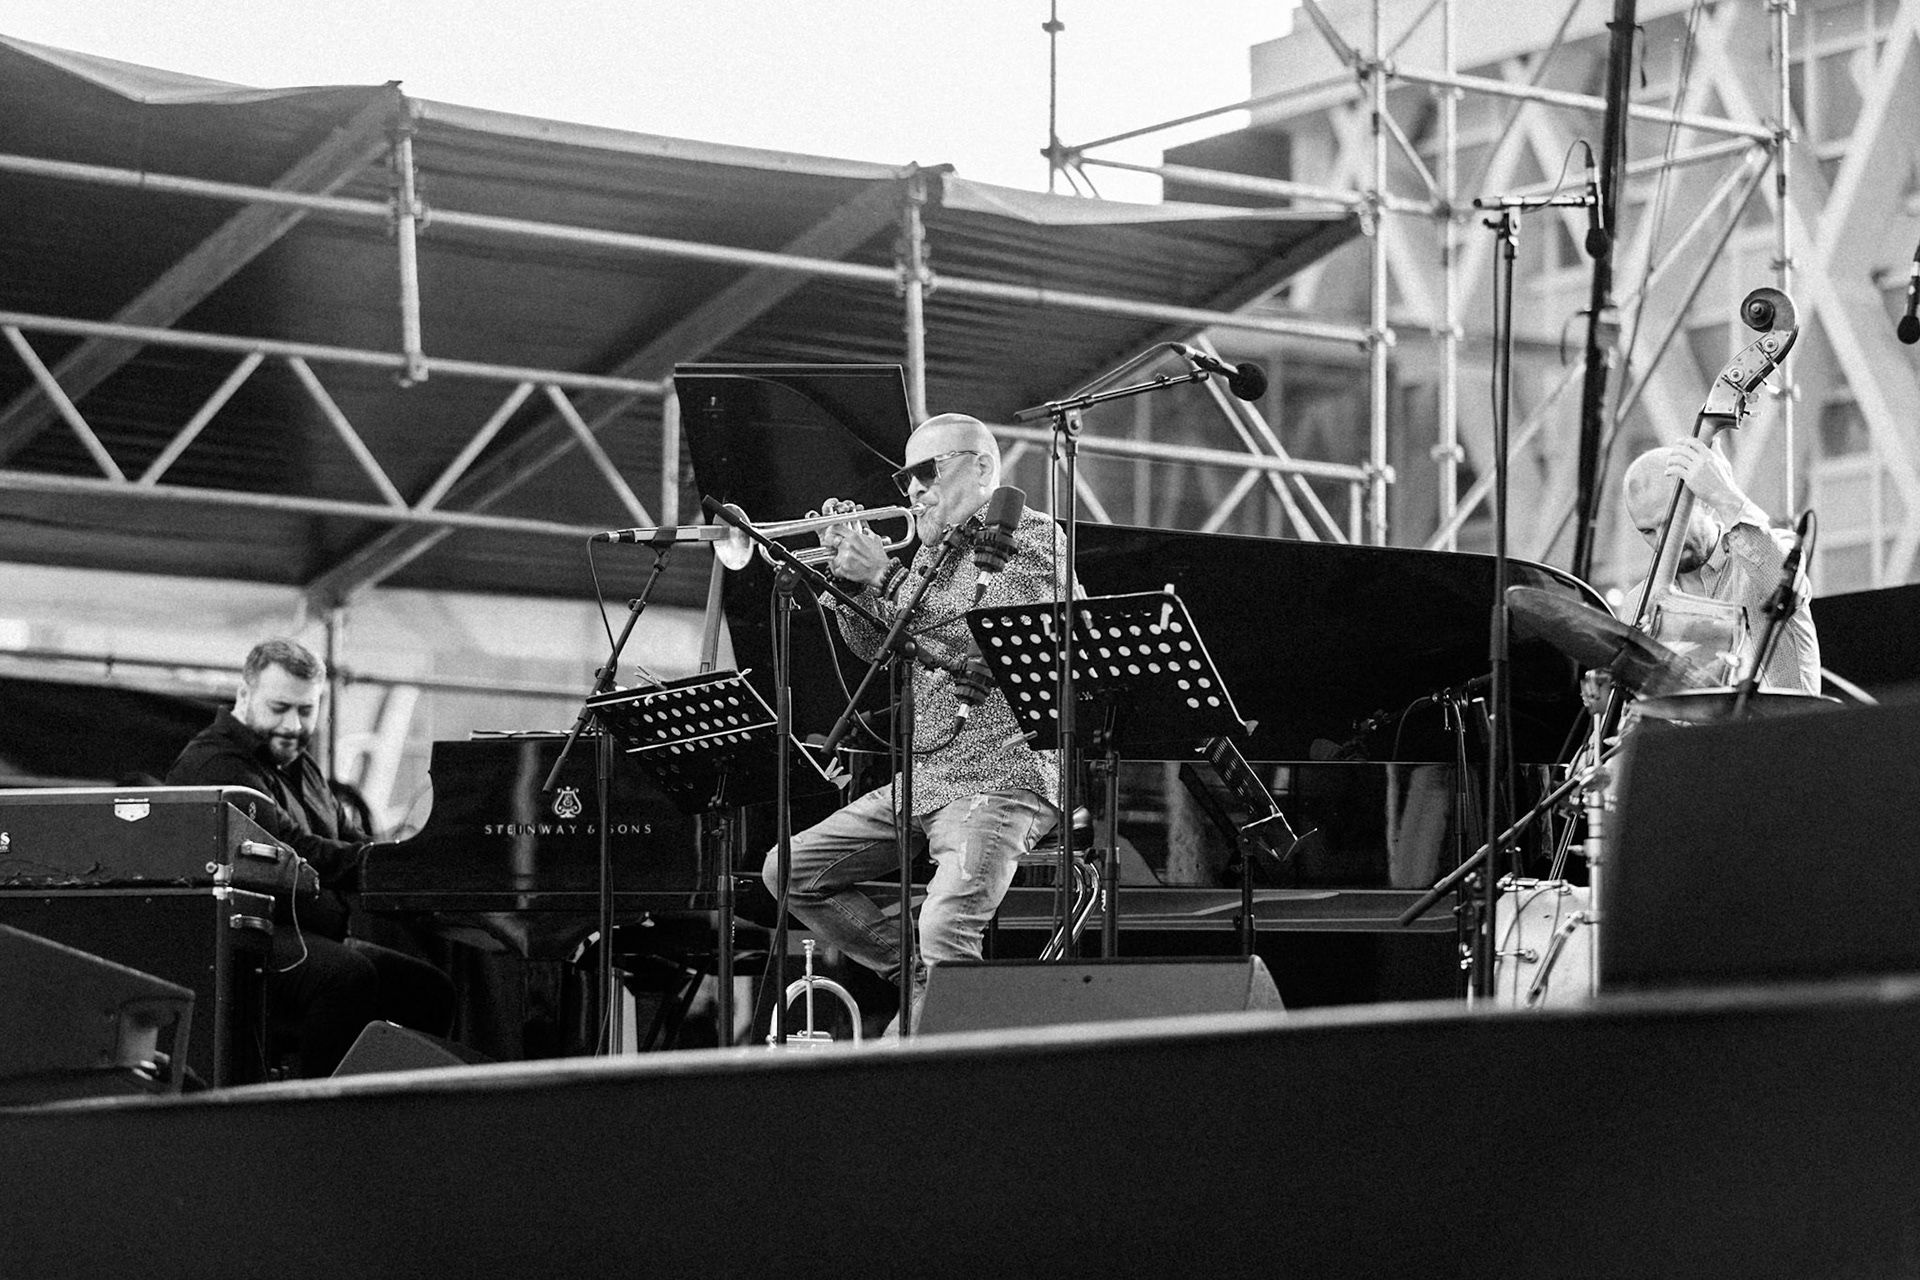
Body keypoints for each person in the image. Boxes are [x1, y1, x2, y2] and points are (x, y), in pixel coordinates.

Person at [762, 413, 1069, 1033]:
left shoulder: (1038, 541)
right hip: (927, 776)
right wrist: (848, 581)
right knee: (787, 870)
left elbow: (979, 632)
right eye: (906, 481)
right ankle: (922, 974)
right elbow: (878, 647)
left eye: (927, 472)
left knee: (945, 925)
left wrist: (884, 575)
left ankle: (931, 1075)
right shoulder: (932, 554)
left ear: (981, 467)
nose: (914, 491)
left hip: (1002, 775)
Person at [167, 639, 453, 1076]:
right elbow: (298, 846)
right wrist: (395, 866)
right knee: (347, 977)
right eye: (280, 707)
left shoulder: (301, 764)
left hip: (307, 934)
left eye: (306, 710)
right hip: (242, 938)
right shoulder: (216, 764)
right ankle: (316, 1116)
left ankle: (393, 1116)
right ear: (244, 695)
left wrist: (406, 860)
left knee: (429, 991)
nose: (293, 725)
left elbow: (345, 833)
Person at [1620, 437, 1820, 693]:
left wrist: (1724, 495)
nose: (1662, 540)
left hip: (1786, 730)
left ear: (1703, 502)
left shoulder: (1772, 547)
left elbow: (1789, 590)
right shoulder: (1639, 603)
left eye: (1670, 523)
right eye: (1647, 531)